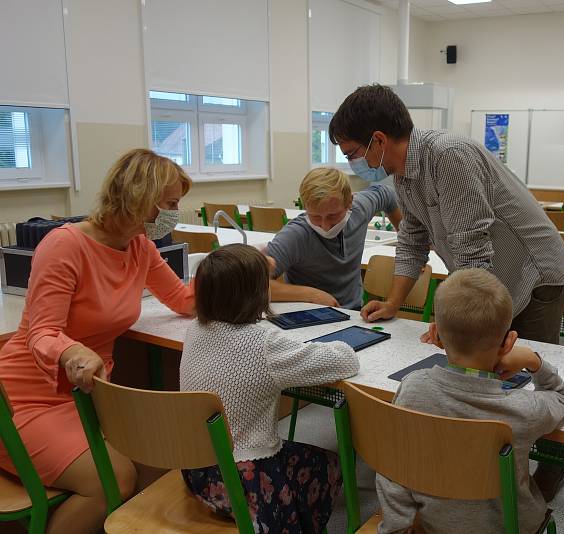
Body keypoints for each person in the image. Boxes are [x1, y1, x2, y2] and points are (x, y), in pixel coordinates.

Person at [330, 84, 564, 499]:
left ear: (379, 141)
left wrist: (458, 320)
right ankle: (480, 457)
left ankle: (548, 471)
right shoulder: (404, 174)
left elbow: (473, 250)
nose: (355, 163)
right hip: (491, 277)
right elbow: (412, 237)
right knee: (484, 368)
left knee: (523, 374)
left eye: (353, 153)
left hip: (534, 274)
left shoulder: (448, 155)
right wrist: (393, 301)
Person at [0, 148, 195, 533]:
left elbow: (182, 299)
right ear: (143, 197)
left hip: (86, 393)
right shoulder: (65, 245)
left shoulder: (139, 247)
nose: (174, 212)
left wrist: (240, 275)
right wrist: (73, 351)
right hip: (26, 398)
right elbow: (42, 333)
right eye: (171, 203)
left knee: (162, 458)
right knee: (114, 480)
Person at [180, 244, 359, 533]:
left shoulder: (193, 331)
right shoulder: (263, 344)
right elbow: (344, 361)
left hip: (198, 471)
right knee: (329, 464)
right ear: (258, 294)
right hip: (246, 483)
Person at [375, 269, 564, 534]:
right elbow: (560, 396)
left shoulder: (412, 388)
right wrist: (533, 361)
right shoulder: (523, 408)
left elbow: (394, 470)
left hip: (434, 524)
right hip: (509, 527)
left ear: (435, 335)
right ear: (508, 342)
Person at [266, 167, 401, 309]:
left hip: (354, 313)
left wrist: (408, 245)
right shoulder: (295, 235)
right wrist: (310, 295)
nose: (325, 226)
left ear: (349, 202)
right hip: (309, 315)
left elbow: (387, 195)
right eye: (316, 217)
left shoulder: (360, 209)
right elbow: (253, 284)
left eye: (332, 216)